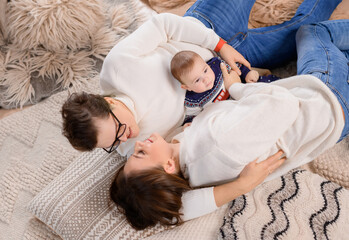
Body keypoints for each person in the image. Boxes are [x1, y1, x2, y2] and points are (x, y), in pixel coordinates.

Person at [110, 19, 349, 230]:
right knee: (311, 32)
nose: (138, 143)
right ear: (169, 166)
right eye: (141, 153)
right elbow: (283, 103)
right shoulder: (215, 145)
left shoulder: (192, 174)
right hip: (325, 100)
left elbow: (176, 212)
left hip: (324, 116)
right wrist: (235, 87)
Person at [61, 0, 340, 157]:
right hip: (230, 73)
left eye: (119, 128)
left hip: (207, 27)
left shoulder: (117, 68)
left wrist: (220, 46)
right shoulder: (136, 147)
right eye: (111, 143)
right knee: (303, 30)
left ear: (108, 101)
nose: (126, 137)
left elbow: (165, 25)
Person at [170, 50, 279, 124]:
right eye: (197, 80)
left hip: (243, 86)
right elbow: (194, 118)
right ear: (187, 87)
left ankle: (282, 84)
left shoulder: (217, 67)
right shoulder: (193, 100)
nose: (206, 79)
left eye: (205, 70)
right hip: (229, 113)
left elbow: (235, 68)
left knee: (261, 83)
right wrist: (189, 125)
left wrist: (247, 73)